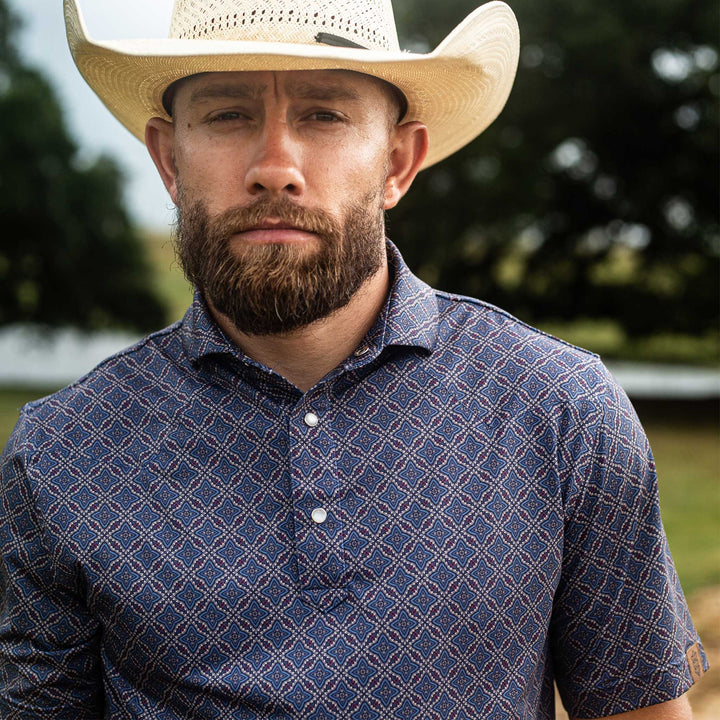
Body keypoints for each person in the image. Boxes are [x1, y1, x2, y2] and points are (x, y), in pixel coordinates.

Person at [0, 0, 708, 717]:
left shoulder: (562, 412)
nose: (275, 168)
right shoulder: (61, 453)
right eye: (227, 116)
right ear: (167, 158)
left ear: (398, 161)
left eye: (324, 115)